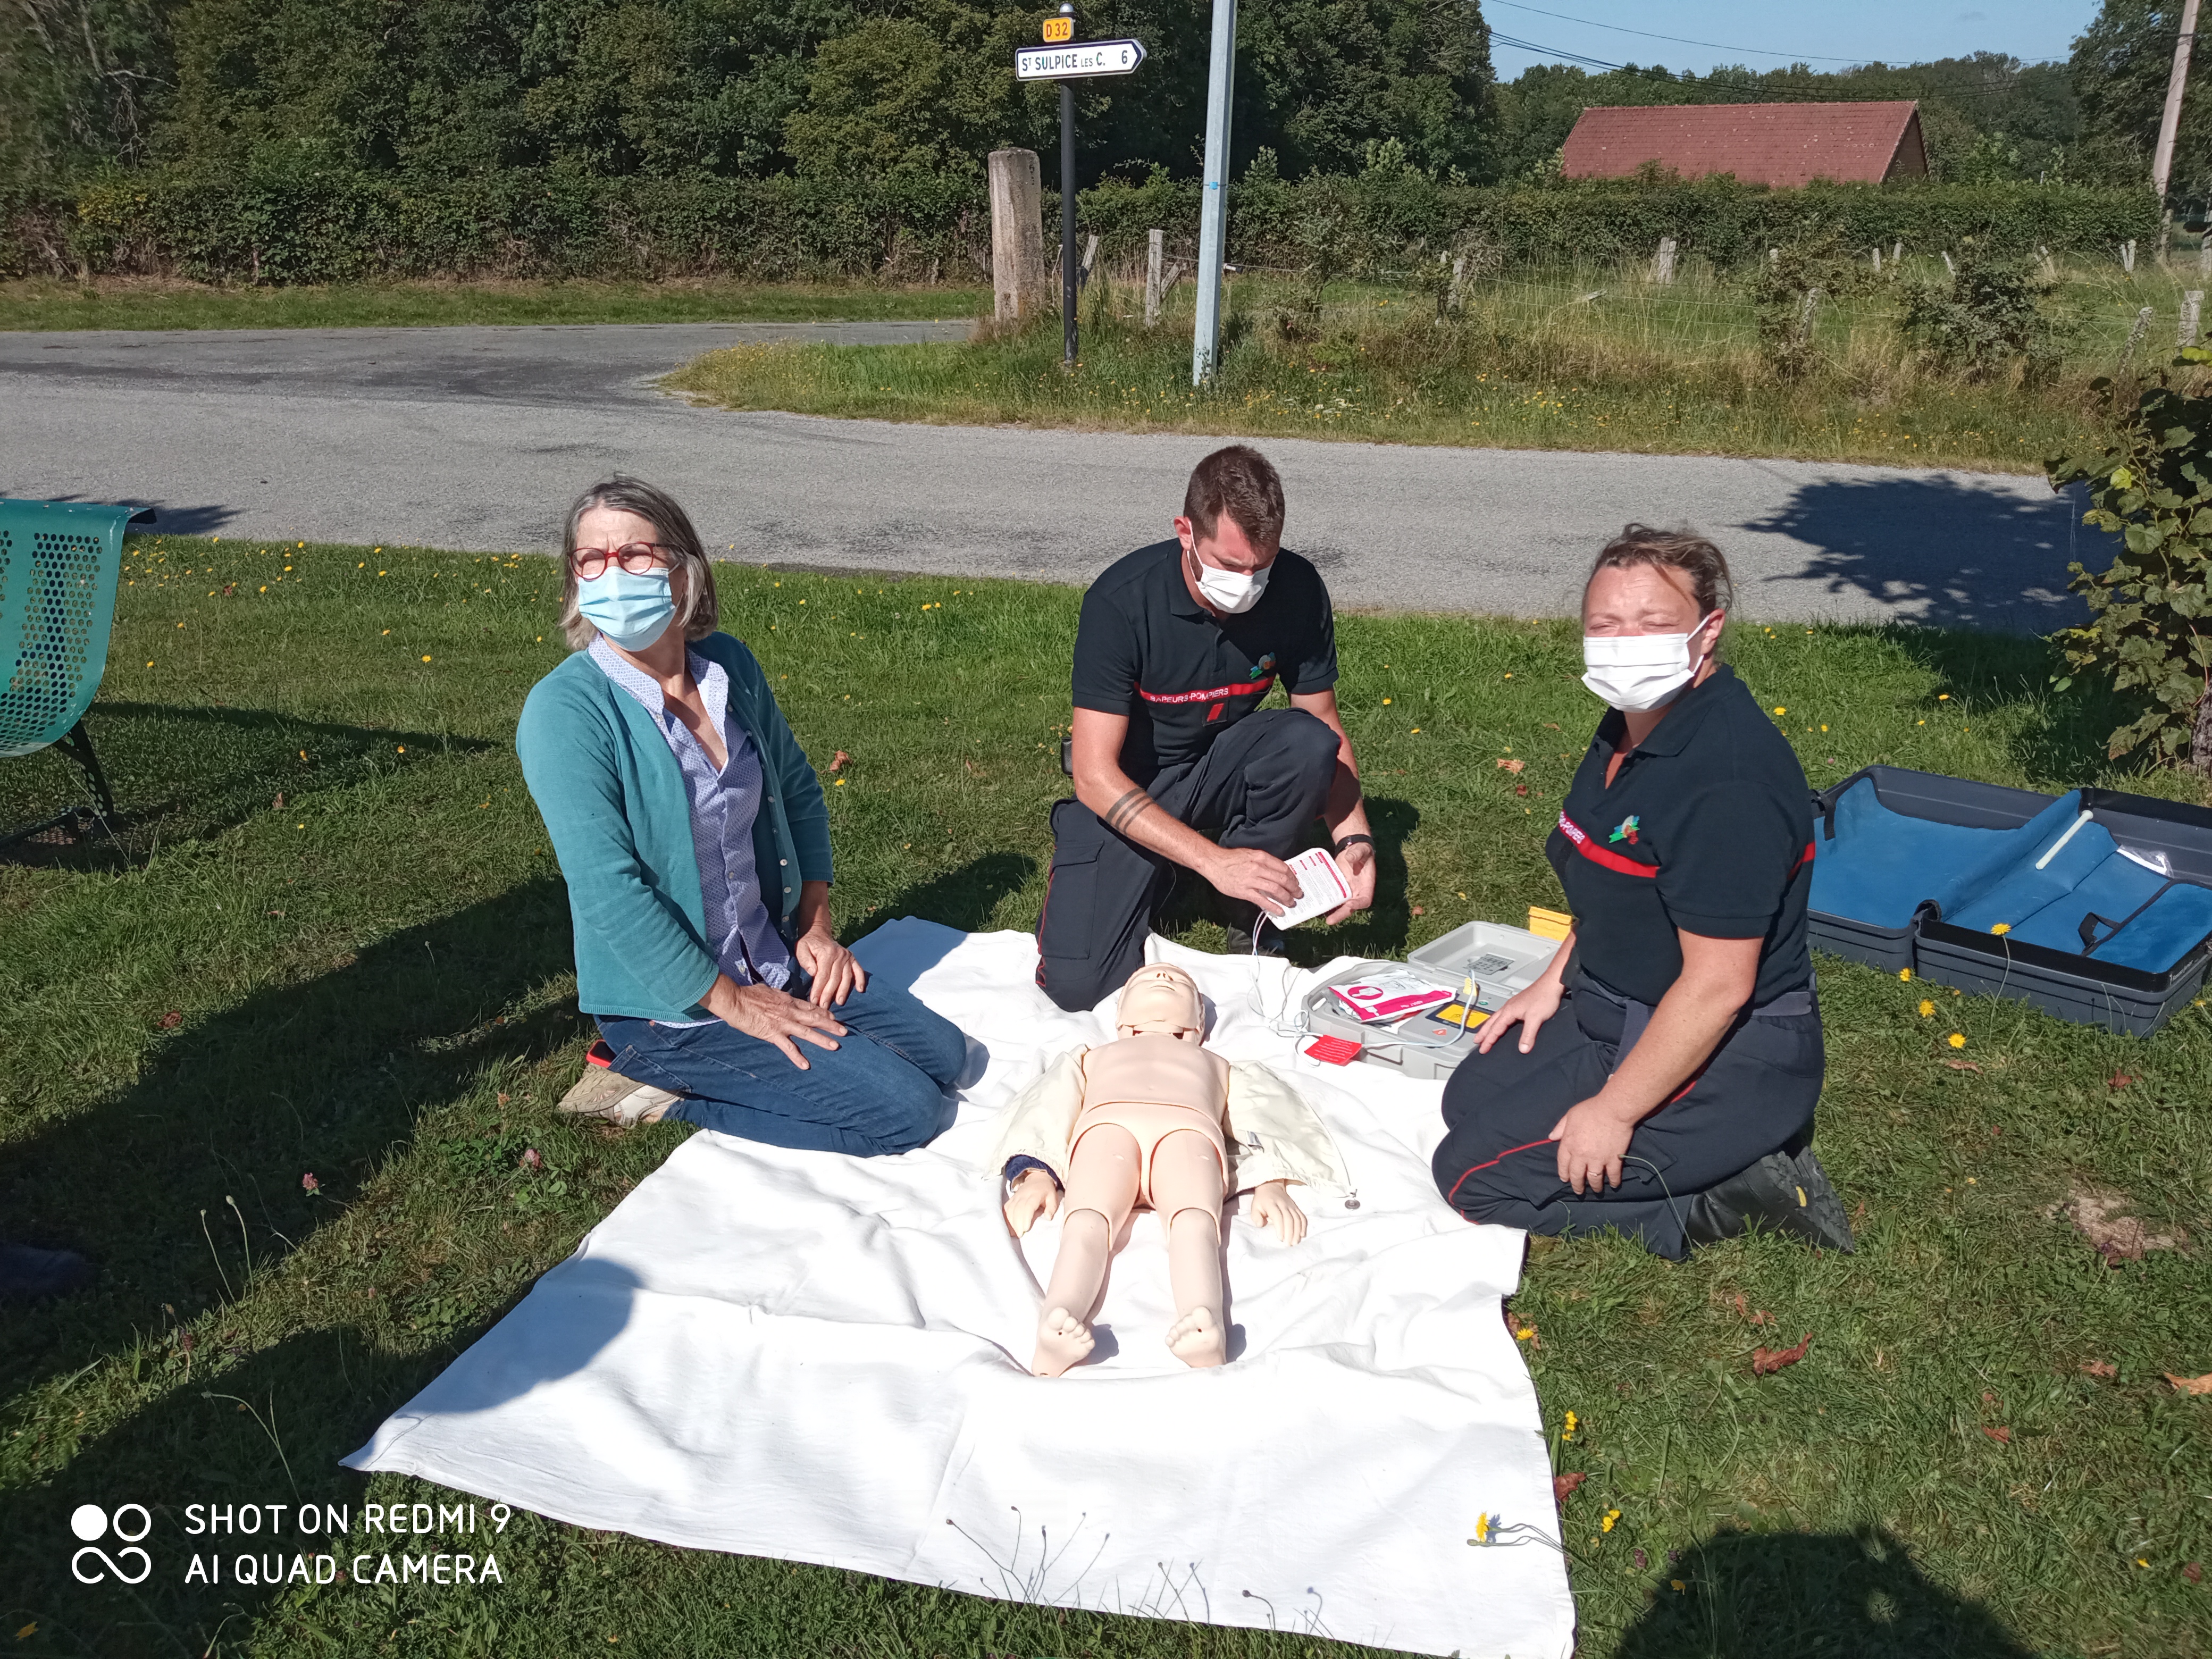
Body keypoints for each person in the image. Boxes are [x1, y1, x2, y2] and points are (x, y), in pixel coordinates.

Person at [1431, 526, 1852, 1259]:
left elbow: (1721, 985)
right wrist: (1551, 980)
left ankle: (1726, 1196)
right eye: (1605, 625)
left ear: (1708, 629)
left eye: (1653, 625)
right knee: (1463, 1103)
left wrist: (1616, 1111)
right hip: (1615, 1002)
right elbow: (1608, 872)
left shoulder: (1726, 780)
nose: (1625, 643)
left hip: (1731, 1045)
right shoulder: (1632, 725)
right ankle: (1702, 1143)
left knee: (1472, 1178)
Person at [517, 476, 965, 1155]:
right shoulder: (566, 711)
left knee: (948, 1056)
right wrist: (735, 1004)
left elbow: (798, 790)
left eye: (634, 554)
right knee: (908, 1113)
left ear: (683, 568)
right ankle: (656, 1092)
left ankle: (764, 1011)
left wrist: (815, 926)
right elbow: (609, 894)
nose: (612, 574)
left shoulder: (728, 666)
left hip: (775, 958)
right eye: (591, 561)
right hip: (674, 1009)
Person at [1037, 445, 1375, 1011]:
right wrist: (1210, 861)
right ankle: (1184, 871)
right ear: (1185, 533)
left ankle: (1252, 911)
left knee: (1305, 743)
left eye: (1260, 568)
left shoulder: (1297, 587)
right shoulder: (1120, 602)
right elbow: (1094, 777)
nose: (1248, 584)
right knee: (1078, 987)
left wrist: (1355, 838)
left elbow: (1323, 723)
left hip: (1218, 763)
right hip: (1130, 784)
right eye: (1230, 565)